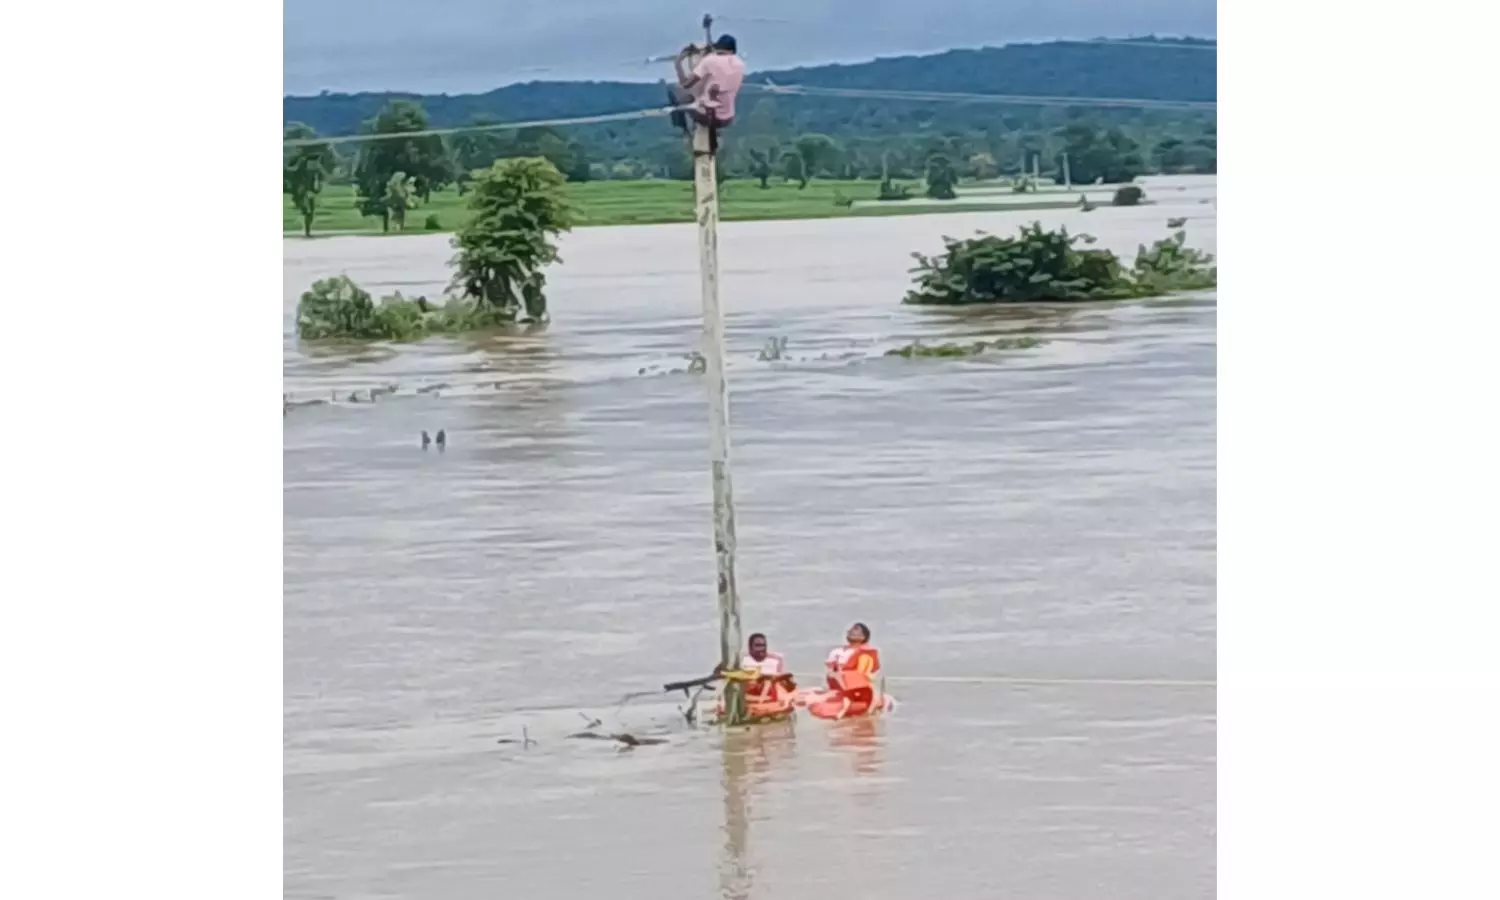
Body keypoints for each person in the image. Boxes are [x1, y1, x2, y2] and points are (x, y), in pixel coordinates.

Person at [667, 33, 745, 154]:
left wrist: (678, 62)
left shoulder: (709, 61)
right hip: (728, 117)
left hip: (706, 117)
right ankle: (716, 133)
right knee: (717, 96)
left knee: (677, 92)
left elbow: (685, 84)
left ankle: (684, 130)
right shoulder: (740, 64)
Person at [823, 622, 882, 713]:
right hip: (840, 683)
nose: (851, 631)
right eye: (850, 630)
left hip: (861, 684)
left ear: (863, 637)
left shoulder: (867, 652)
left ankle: (868, 705)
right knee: (833, 674)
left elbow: (873, 669)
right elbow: (830, 669)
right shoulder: (836, 651)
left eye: (856, 630)